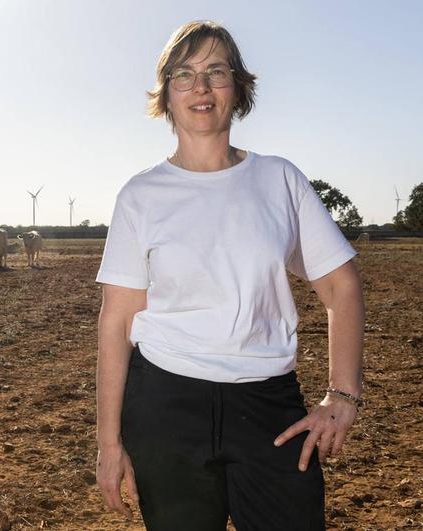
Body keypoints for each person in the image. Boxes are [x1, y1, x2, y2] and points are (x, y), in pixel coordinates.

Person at [95, 20, 364, 530]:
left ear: (238, 88)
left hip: (268, 406)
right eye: (184, 75)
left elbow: (341, 286)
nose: (201, 87)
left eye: (217, 72)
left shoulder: (279, 179)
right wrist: (110, 444)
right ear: (166, 95)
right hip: (165, 406)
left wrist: (342, 395)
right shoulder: (140, 195)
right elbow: (117, 322)